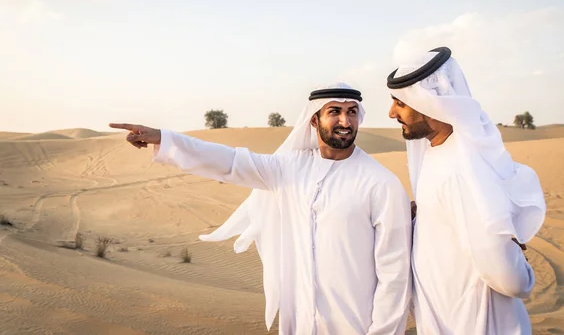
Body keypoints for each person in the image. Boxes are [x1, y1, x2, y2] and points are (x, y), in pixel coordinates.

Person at [109, 82, 413, 335]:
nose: (345, 122)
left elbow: (394, 276)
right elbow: (230, 162)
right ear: (313, 119)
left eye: (352, 113)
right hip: (301, 323)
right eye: (335, 112)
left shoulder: (381, 184)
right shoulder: (289, 168)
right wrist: (165, 139)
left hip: (355, 325)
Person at [386, 47, 546, 334]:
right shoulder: (438, 153)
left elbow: (508, 278)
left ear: (430, 102)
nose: (391, 113)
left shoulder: (463, 169)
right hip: (449, 316)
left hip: (477, 322)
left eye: (400, 103)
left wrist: (523, 273)